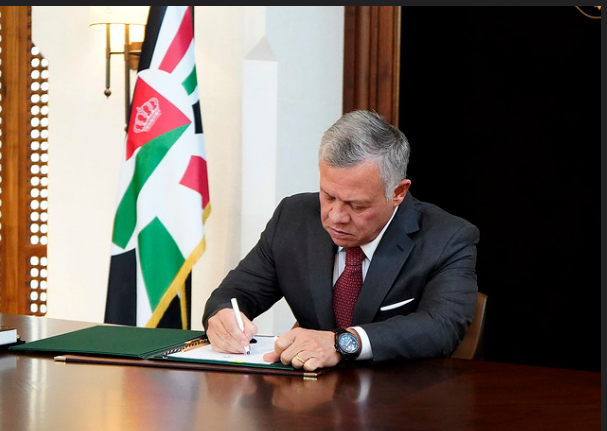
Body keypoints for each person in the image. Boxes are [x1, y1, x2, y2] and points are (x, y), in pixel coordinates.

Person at [202, 110, 479, 371]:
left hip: (399, 395)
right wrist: (224, 318)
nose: (335, 217)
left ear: (398, 192)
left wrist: (344, 343)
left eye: (356, 205)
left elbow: (441, 327)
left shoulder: (447, 238)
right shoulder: (293, 218)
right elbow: (233, 295)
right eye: (328, 196)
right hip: (309, 394)